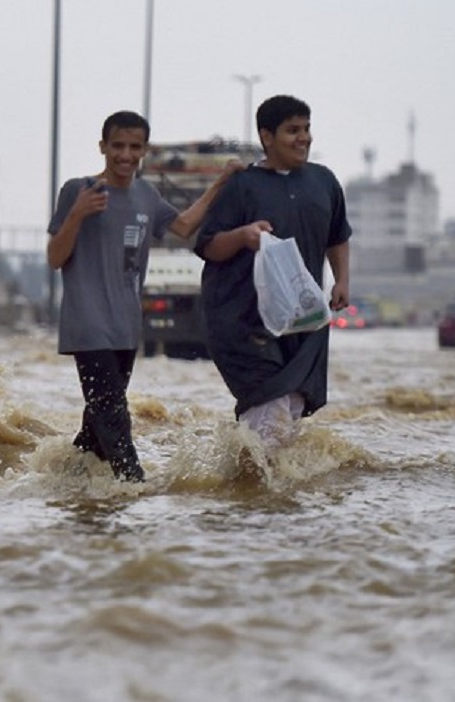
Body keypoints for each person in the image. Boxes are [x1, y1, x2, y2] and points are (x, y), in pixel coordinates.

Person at [47, 110, 238, 482]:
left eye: (134, 147)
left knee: (97, 428)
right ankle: (135, 491)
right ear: (102, 146)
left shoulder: (145, 195)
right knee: (115, 417)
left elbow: (183, 227)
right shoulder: (78, 190)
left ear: (144, 151)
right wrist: (77, 215)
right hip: (88, 327)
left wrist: (221, 183)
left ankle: (65, 485)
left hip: (126, 328)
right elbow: (56, 257)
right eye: (117, 145)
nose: (125, 155)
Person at [192, 94, 351, 455]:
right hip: (243, 321)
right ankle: (257, 498)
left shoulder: (323, 182)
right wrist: (243, 236)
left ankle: (258, 494)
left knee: (291, 407)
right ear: (267, 137)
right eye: (292, 130)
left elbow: (338, 236)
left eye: (307, 129)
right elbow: (209, 246)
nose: (304, 138)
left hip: (303, 320)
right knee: (270, 406)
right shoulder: (242, 186)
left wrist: (342, 280)